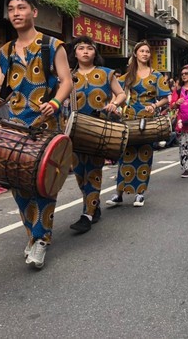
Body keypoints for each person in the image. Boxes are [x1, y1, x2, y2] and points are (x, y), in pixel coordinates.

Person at [0, 0, 72, 269]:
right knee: (16, 183)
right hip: (13, 126)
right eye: (11, 8)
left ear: (33, 12)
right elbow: (4, 93)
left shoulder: (52, 45)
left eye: (21, 7)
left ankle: (40, 239)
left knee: (43, 184)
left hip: (45, 125)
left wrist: (56, 102)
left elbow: (66, 81)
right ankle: (32, 233)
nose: (15, 13)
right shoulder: (4, 52)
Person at [67, 36, 126, 234]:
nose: (85, 51)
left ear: (95, 53)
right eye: (81, 48)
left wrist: (114, 104)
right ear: (75, 52)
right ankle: (94, 206)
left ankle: (87, 214)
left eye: (89, 48)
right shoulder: (67, 75)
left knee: (93, 170)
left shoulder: (106, 73)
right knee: (79, 173)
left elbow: (121, 94)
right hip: (74, 131)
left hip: (98, 129)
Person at [105, 41, 170, 208]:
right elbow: (117, 93)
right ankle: (119, 193)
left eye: (147, 51)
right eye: (142, 51)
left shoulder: (157, 76)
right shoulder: (127, 76)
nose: (145, 54)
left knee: (144, 155)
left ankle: (140, 193)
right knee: (124, 155)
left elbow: (165, 98)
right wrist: (115, 105)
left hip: (147, 119)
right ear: (135, 54)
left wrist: (154, 105)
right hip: (129, 117)